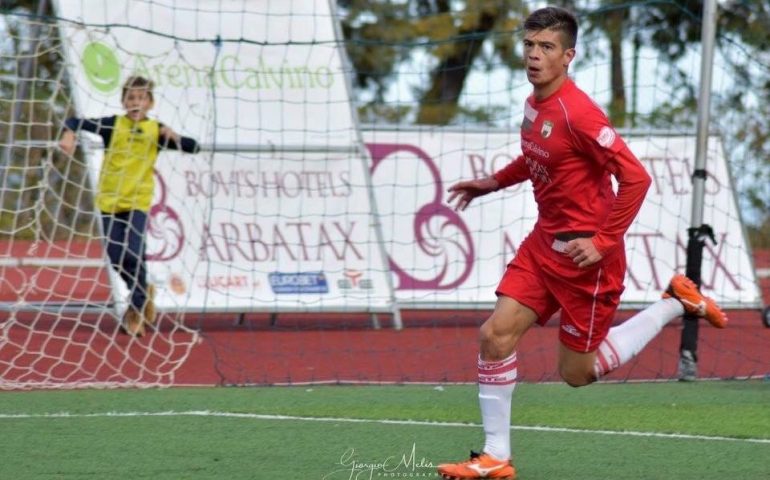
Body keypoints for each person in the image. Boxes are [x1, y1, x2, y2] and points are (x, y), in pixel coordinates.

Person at [436, 7, 727, 480]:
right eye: (529, 45)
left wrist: (604, 241)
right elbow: (537, 155)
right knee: (494, 334)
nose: (534, 55)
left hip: (587, 261)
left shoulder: (581, 114)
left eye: (547, 47)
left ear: (568, 56)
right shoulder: (534, 104)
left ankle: (674, 302)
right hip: (542, 245)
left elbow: (636, 177)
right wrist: (492, 182)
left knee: (577, 374)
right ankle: (495, 457)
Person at [59, 76, 200, 337]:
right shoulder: (113, 125)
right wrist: (68, 135)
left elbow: (194, 147)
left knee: (134, 254)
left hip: (137, 202)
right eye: (131, 98)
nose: (136, 103)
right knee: (116, 256)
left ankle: (134, 311)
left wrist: (175, 136)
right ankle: (143, 291)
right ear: (124, 101)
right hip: (110, 201)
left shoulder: (156, 130)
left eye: (141, 98)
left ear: (150, 103)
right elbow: (75, 122)